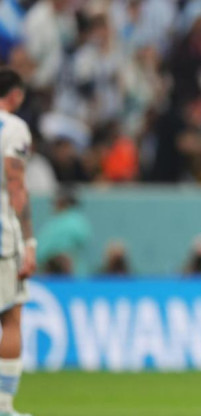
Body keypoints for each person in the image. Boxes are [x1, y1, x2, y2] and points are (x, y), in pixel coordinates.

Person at [0, 67, 37, 416]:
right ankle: (4, 405)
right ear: (15, 95)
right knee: (10, 315)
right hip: (2, 237)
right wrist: (29, 243)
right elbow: (16, 186)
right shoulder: (13, 128)